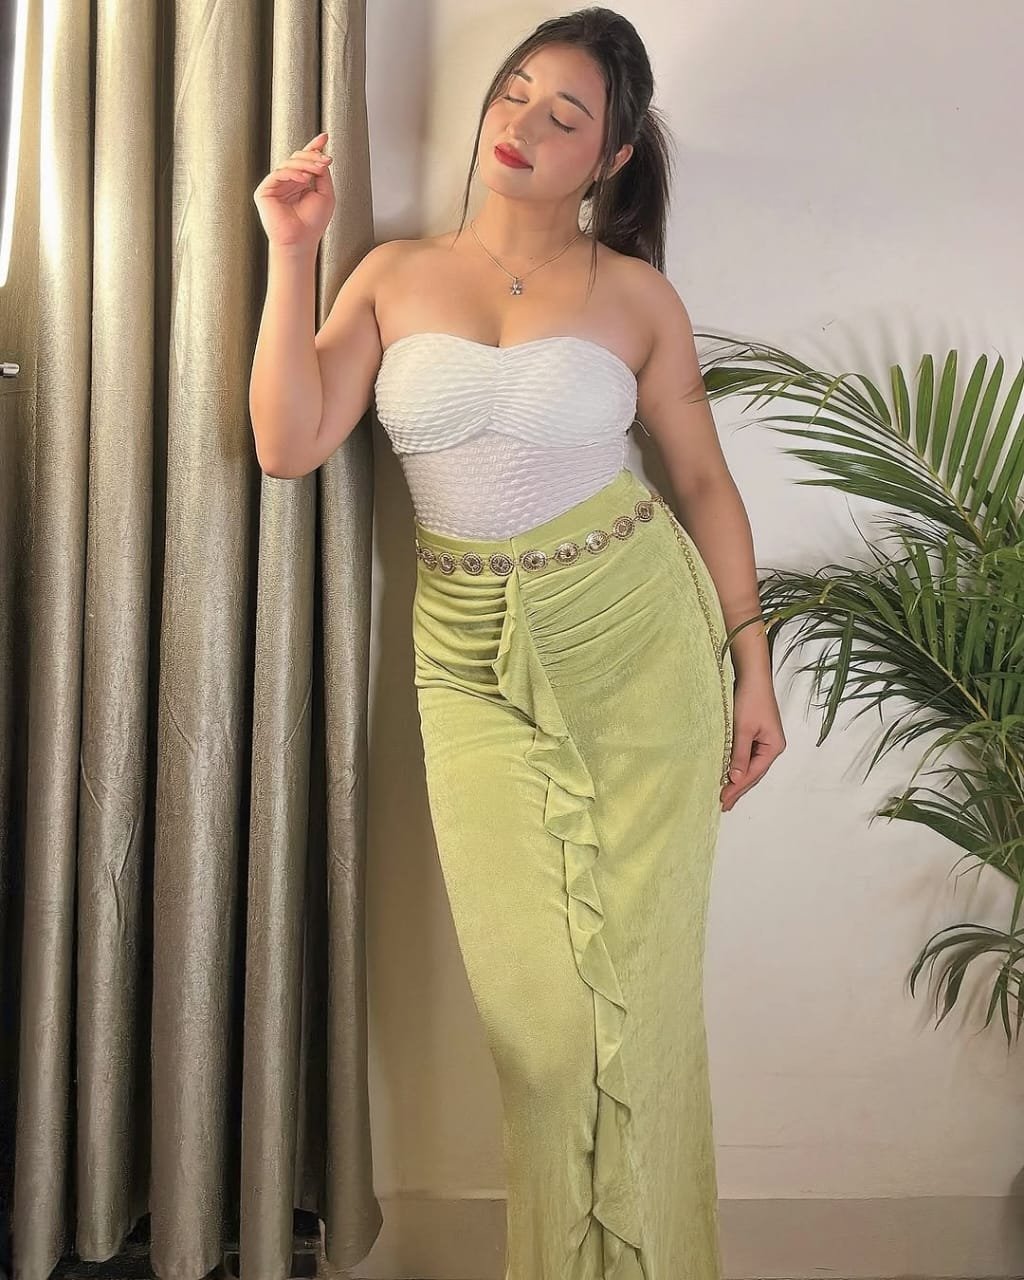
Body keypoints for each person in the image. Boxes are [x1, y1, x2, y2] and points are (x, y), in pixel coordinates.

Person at [250, 7, 786, 1277]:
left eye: (565, 113)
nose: (522, 123)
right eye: (514, 91)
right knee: (542, 1035)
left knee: (640, 1004)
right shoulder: (391, 273)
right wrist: (292, 253)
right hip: (466, 659)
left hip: (636, 645)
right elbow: (286, 441)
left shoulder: (637, 297)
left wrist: (752, 663)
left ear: (610, 157)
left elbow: (702, 483)